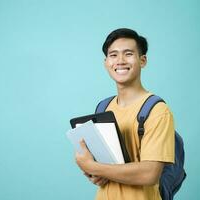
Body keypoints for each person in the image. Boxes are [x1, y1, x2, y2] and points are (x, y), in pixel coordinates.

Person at [75, 28, 175, 200]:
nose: (120, 61)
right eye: (113, 55)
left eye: (128, 54)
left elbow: (150, 174)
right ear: (106, 62)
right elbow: (102, 165)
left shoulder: (157, 110)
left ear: (142, 60)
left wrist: (93, 167)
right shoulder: (103, 107)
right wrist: (93, 172)